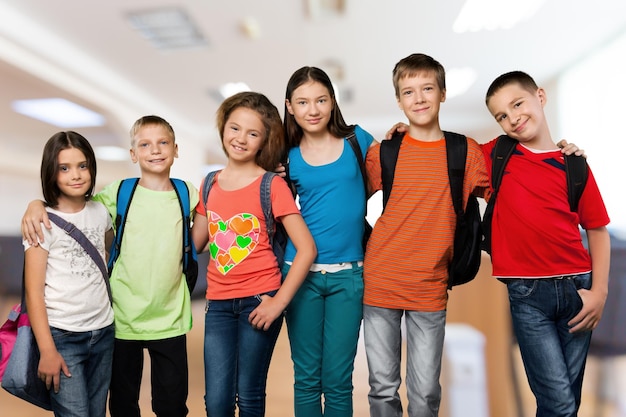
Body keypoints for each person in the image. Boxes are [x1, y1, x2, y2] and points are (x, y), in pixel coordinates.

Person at [21, 115, 198, 417]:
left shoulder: (184, 194)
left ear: (176, 149)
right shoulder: (114, 195)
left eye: (163, 143)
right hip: (105, 321)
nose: (154, 150)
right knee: (116, 405)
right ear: (133, 154)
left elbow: (200, 236)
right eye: (145, 144)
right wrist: (35, 204)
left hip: (141, 321)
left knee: (162, 405)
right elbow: (71, 209)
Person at [361, 53, 490, 417]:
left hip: (430, 286)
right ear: (399, 100)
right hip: (381, 281)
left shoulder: (465, 151)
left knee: (425, 395)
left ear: (443, 93)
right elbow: (347, 198)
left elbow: (505, 193)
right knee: (382, 390)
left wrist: (555, 153)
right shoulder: (384, 152)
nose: (418, 99)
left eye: (427, 89)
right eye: (408, 92)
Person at [483, 70, 611, 416]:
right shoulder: (497, 155)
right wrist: (411, 132)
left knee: (566, 402)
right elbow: (445, 154)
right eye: (501, 116)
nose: (512, 118)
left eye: (518, 104)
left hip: (578, 292)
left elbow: (597, 231)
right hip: (528, 298)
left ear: (540, 96)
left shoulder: (574, 164)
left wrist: (599, 293)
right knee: (558, 403)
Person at [191, 91, 316, 417]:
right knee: (216, 403)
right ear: (222, 129)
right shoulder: (209, 184)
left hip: (260, 300)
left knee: (248, 397)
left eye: (252, 133)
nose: (241, 139)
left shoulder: (271, 185)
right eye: (234, 128)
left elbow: (307, 249)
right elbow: (198, 242)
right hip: (217, 305)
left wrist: (278, 302)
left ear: (263, 141)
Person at [281, 66, 375, 417]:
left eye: (321, 100)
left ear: (333, 102)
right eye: (303, 102)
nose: (313, 109)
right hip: (298, 273)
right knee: (306, 378)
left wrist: (401, 135)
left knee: (338, 380)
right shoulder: (286, 156)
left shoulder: (357, 139)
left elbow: (396, 169)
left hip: (349, 276)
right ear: (290, 107)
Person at [24, 131, 114, 417]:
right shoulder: (41, 222)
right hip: (62, 337)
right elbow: (34, 292)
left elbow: (109, 253)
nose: (75, 175)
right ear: (51, 173)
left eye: (82, 165)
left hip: (103, 332)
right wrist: (47, 350)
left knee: (97, 412)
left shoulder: (101, 212)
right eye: (64, 168)